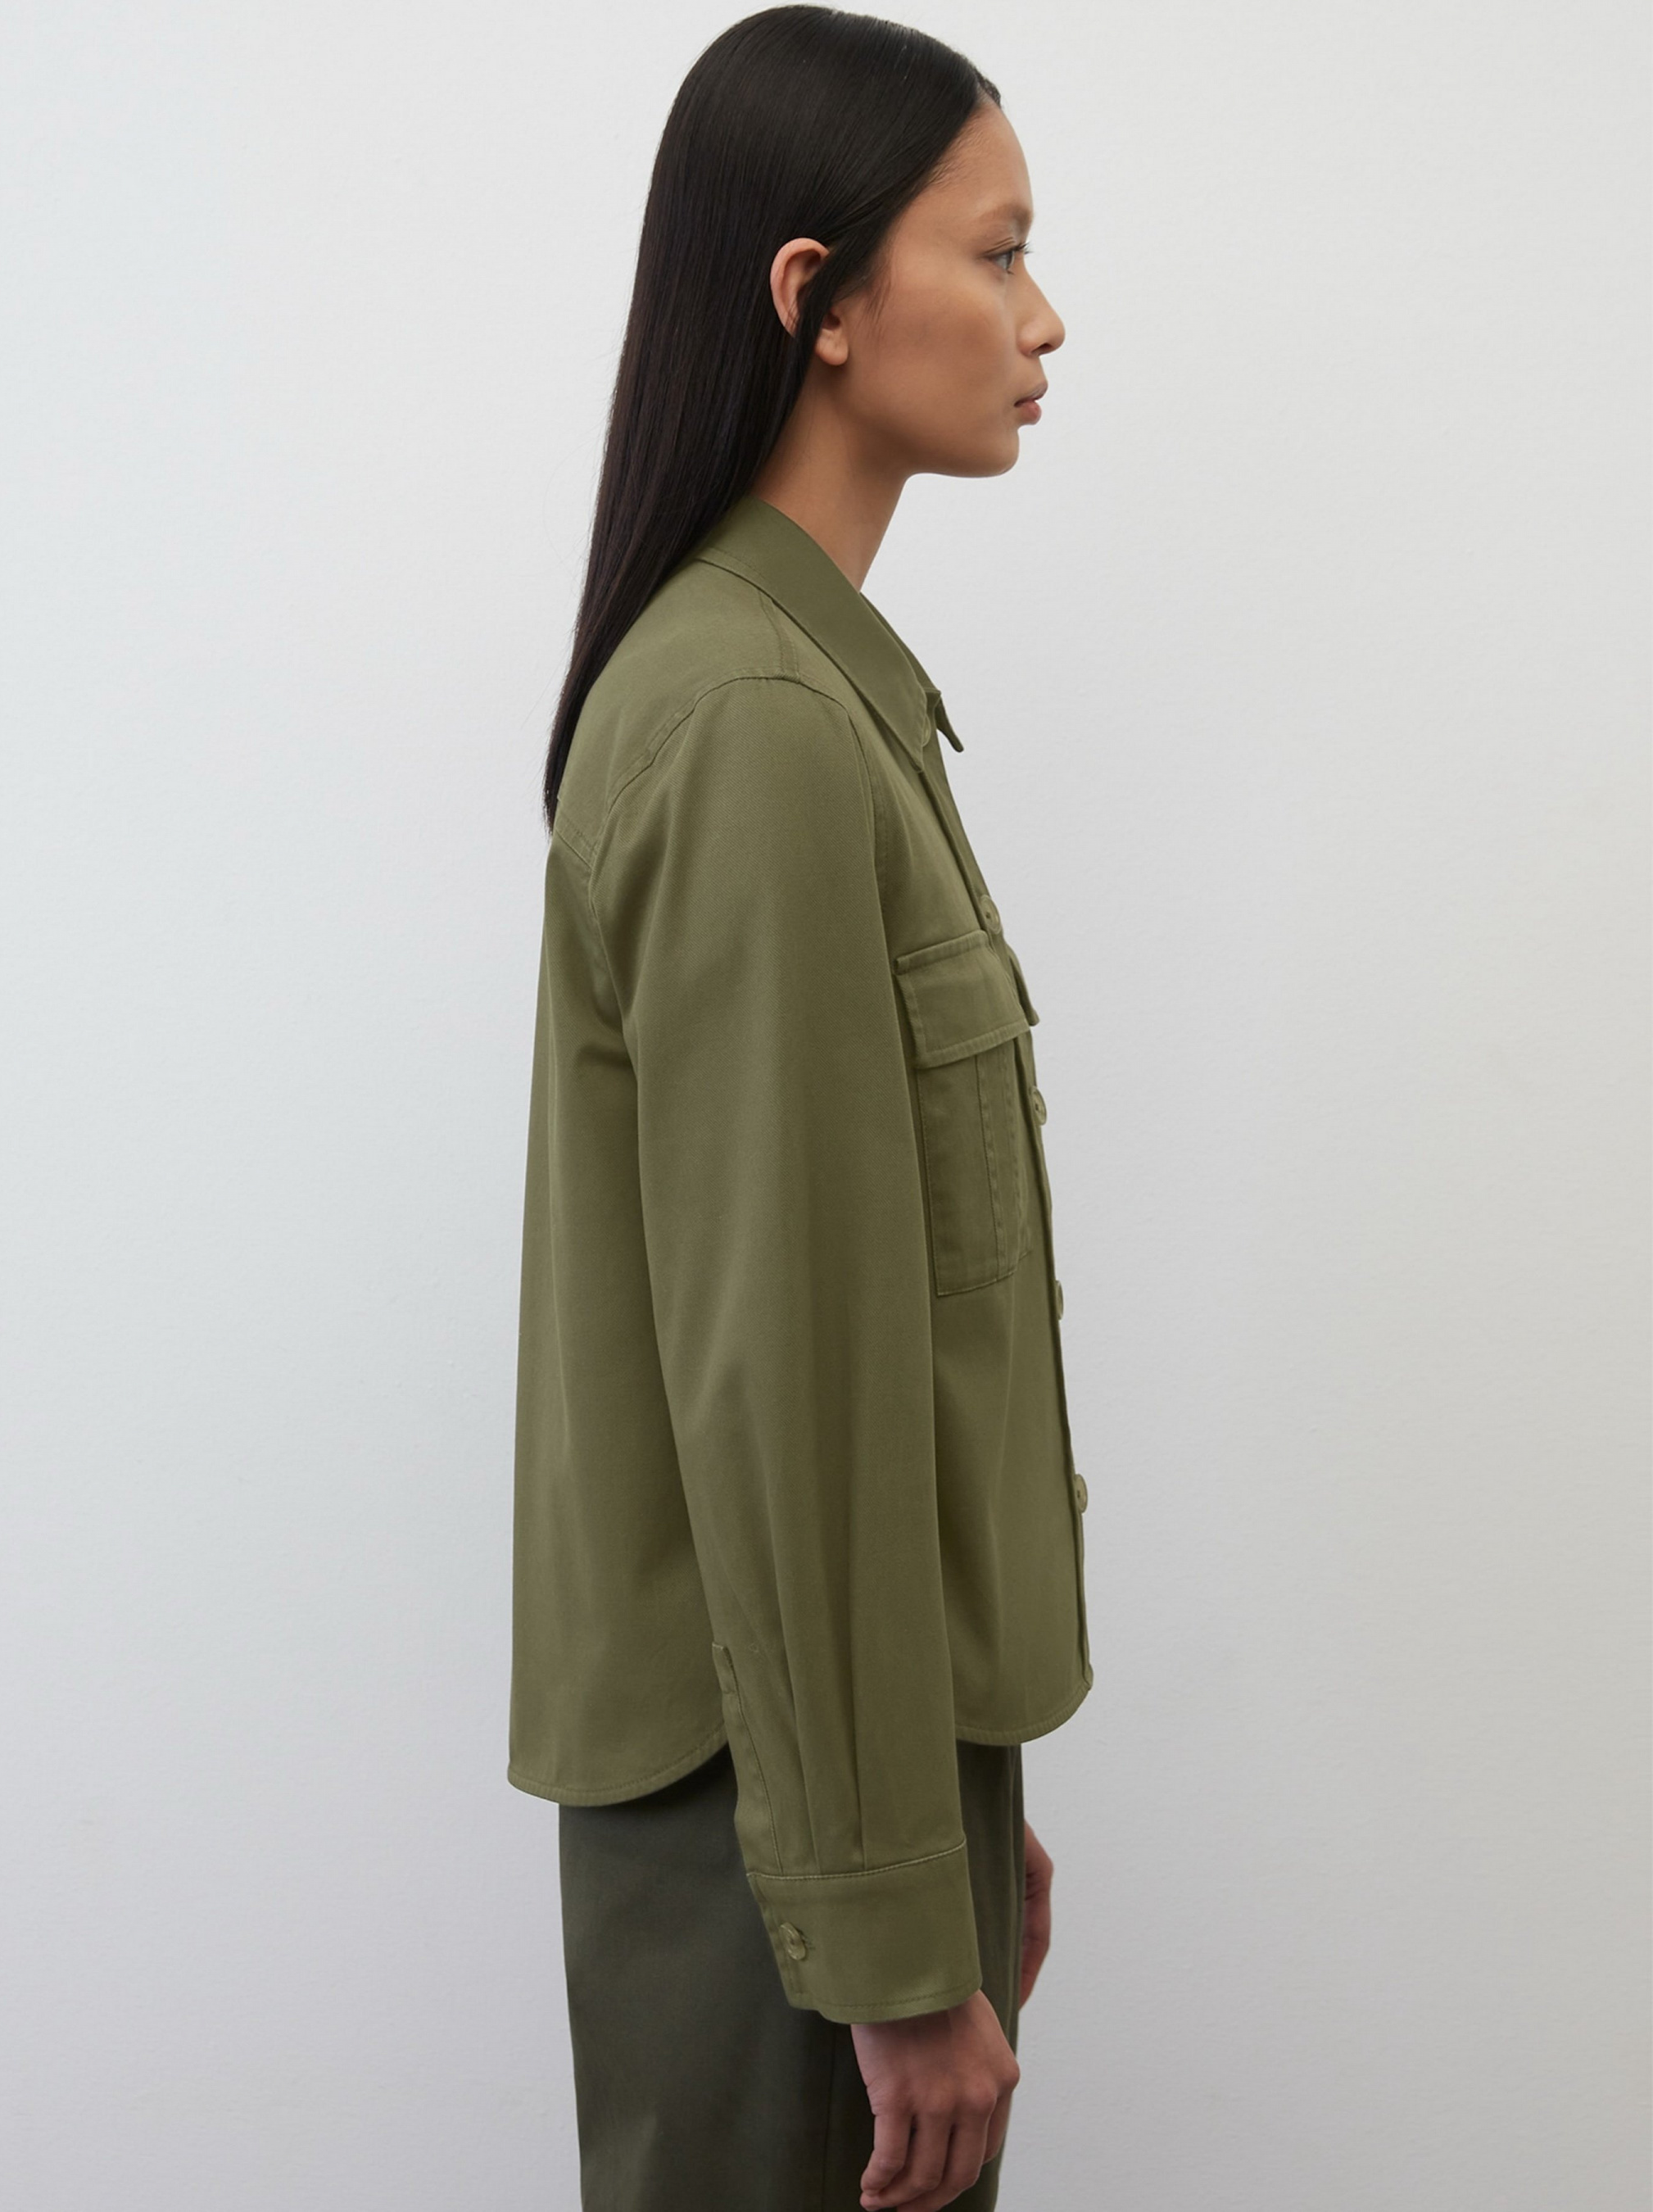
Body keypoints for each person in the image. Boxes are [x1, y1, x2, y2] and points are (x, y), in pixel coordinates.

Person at [509, 9, 1090, 2206]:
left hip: (837, 1776)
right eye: (996, 253)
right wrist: (874, 1904)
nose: (1044, 319)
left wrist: (947, 1814)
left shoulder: (807, 694)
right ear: (814, 298)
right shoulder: (752, 719)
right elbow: (789, 1375)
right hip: (769, 1821)